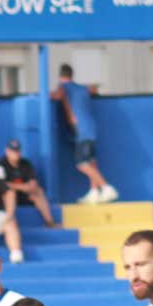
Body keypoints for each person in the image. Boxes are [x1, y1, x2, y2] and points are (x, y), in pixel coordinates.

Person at [53, 63, 117, 205]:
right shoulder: (82, 88)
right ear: (72, 75)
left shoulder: (63, 88)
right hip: (91, 129)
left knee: (82, 164)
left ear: (60, 75)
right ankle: (94, 192)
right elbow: (93, 89)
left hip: (81, 130)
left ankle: (106, 187)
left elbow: (57, 96)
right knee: (92, 162)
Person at [0, 139, 58, 226]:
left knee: (38, 191)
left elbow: (33, 181)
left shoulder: (26, 163)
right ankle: (9, 222)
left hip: (24, 196)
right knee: (10, 193)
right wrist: (22, 187)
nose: (16, 153)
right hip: (7, 197)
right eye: (13, 151)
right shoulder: (0, 165)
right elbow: (1, 184)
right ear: (7, 151)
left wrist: (30, 187)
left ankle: (50, 222)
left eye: (17, 150)